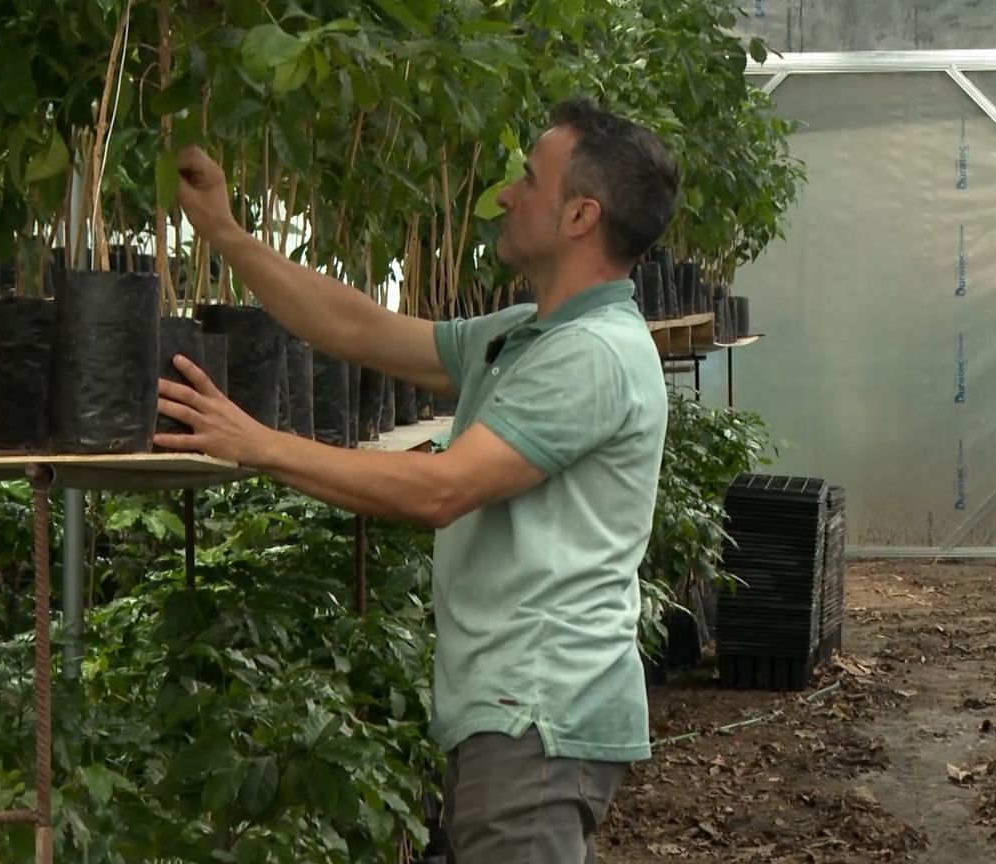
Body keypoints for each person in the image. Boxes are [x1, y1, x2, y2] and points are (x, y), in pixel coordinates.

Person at [158, 97, 681, 863]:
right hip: (505, 711)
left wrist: (258, 445)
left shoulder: (592, 355)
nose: (504, 194)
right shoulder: (522, 336)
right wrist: (226, 235)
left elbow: (441, 490)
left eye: (527, 181)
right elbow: (358, 328)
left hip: (537, 716)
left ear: (579, 216)